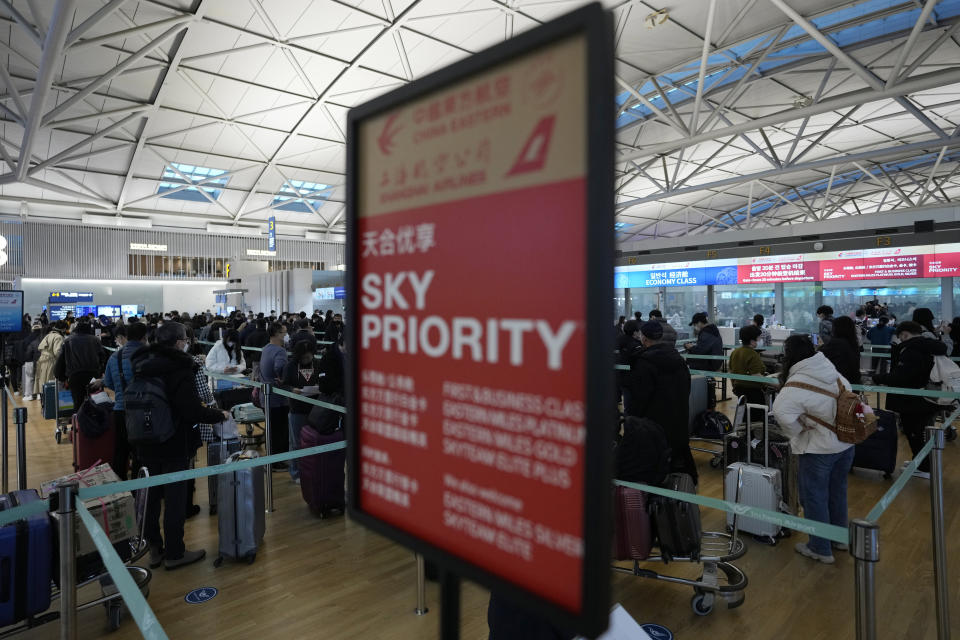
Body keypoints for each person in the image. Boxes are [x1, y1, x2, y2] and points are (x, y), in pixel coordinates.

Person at [130, 322, 228, 569]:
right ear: (177, 342)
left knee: (151, 496)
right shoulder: (180, 367)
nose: (187, 343)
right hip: (173, 440)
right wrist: (219, 415)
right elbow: (190, 409)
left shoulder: (141, 364)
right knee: (175, 497)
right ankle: (175, 553)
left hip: (144, 439)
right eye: (185, 339)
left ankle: (154, 547)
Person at [771, 335, 855, 565]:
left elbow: (780, 412)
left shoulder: (796, 383)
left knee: (814, 497)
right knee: (837, 492)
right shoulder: (833, 373)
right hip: (845, 443)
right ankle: (839, 539)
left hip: (818, 448)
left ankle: (819, 547)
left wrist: (798, 429)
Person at [623, 320, 696, 483]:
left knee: (655, 468)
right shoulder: (678, 359)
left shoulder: (644, 363)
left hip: (653, 424)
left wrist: (631, 421)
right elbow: (687, 387)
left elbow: (639, 398)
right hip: (678, 418)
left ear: (644, 339)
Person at [873, 321, 945, 479]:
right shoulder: (929, 346)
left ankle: (924, 467)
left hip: (912, 399)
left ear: (905, 334)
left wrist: (879, 378)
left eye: (900, 337)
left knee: (914, 432)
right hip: (928, 395)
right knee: (921, 430)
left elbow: (902, 376)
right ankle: (921, 461)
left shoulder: (912, 349)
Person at [102, 321, 148, 479]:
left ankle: (120, 490)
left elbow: (107, 382)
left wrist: (122, 391)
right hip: (143, 411)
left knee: (120, 451)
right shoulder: (149, 355)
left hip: (120, 410)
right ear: (144, 338)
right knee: (140, 454)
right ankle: (139, 492)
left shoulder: (115, 356)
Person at [281, 341, 323, 483]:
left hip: (315, 407)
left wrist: (319, 386)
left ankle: (313, 469)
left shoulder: (317, 364)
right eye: (304, 357)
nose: (307, 359)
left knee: (314, 440)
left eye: (309, 356)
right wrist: (292, 390)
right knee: (296, 443)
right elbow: (283, 385)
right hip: (297, 408)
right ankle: (296, 472)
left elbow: (323, 380)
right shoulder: (290, 366)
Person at [260, 322, 290, 470]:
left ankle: (272, 460)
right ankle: (278, 462)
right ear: (277, 333)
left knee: (271, 430)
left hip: (265, 396)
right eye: (284, 332)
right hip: (278, 398)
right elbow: (280, 368)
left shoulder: (266, 348)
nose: (286, 335)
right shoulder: (280, 351)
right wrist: (285, 378)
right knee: (280, 431)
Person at [58, 320, 107, 410]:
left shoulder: (68, 341)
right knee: (96, 400)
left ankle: (78, 421)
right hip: (93, 375)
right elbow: (102, 357)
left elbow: (61, 360)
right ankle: (95, 421)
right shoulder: (95, 340)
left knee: (78, 402)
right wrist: (101, 372)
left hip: (74, 375)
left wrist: (61, 376)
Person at [684, 311, 722, 408]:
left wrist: (690, 347)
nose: (695, 327)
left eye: (695, 324)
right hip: (715, 362)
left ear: (700, 323)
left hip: (708, 363)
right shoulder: (713, 330)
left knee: (686, 366)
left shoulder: (706, 333)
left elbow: (701, 350)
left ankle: (697, 401)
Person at [729, 325, 766, 416]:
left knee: (744, 415)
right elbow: (756, 375)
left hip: (739, 390)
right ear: (752, 340)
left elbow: (731, 372)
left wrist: (734, 386)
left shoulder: (735, 352)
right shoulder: (752, 354)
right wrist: (773, 383)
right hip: (753, 392)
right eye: (759, 338)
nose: (760, 340)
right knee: (756, 418)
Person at [818, 315, 861, 385]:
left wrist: (821, 346)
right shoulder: (853, 343)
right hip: (852, 382)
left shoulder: (836, 343)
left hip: (840, 385)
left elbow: (820, 356)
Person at [35, 322, 65, 392]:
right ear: (63, 329)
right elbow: (57, 352)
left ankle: (42, 397)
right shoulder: (59, 337)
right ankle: (49, 399)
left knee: (42, 380)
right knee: (50, 381)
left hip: (41, 359)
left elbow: (39, 347)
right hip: (50, 361)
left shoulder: (48, 335)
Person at [18, 321, 43, 401]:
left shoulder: (27, 339)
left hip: (29, 361)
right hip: (41, 360)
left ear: (32, 329)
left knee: (29, 378)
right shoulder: (43, 338)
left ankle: (29, 395)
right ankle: (40, 394)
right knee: (39, 378)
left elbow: (24, 351)